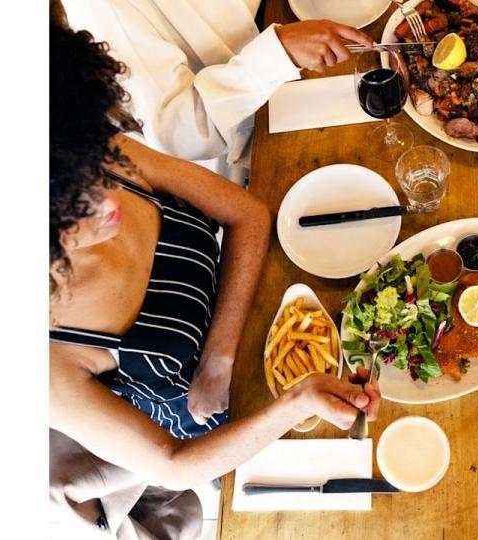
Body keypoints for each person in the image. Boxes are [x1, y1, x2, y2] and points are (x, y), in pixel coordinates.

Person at [49, 22, 381, 537]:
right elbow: (174, 464)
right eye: (73, 210)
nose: (107, 200)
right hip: (227, 427)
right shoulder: (42, 360)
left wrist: (219, 354)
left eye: (89, 176)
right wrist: (294, 402)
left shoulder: (89, 152)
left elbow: (247, 213)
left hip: (259, 308)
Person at [57, 0, 374, 178]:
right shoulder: (102, 7)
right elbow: (179, 131)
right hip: (247, 130)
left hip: (288, 34)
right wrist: (279, 52)